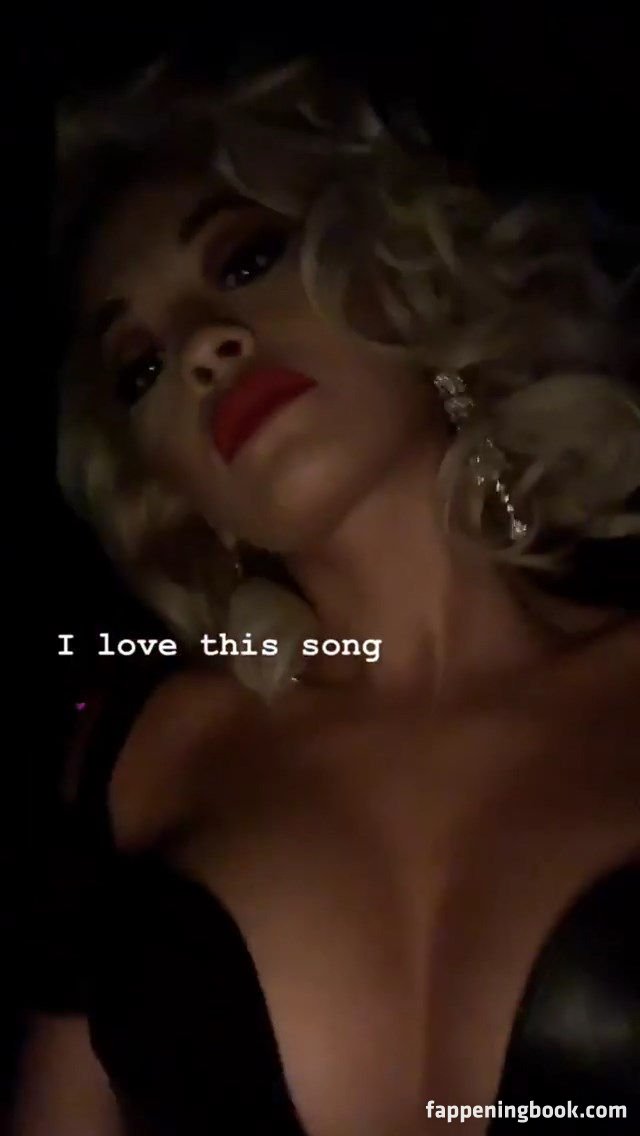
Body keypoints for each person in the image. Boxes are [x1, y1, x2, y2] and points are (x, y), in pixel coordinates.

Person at [15, 56, 640, 1134]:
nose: (200, 346)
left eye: (246, 258)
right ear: (178, 490)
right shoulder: (135, 763)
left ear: (406, 280)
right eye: (139, 367)